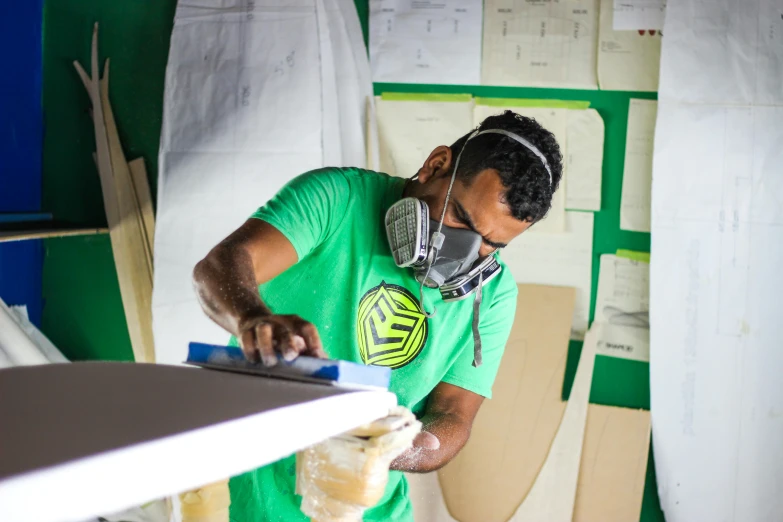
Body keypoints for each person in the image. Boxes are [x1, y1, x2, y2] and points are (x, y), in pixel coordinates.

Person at [193, 110, 563, 521]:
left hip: (363, 506)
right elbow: (221, 266)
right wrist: (251, 318)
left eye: (491, 244)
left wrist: (389, 445)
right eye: (460, 218)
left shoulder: (492, 293)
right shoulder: (336, 199)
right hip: (246, 496)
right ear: (435, 165)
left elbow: (454, 415)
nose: (462, 253)